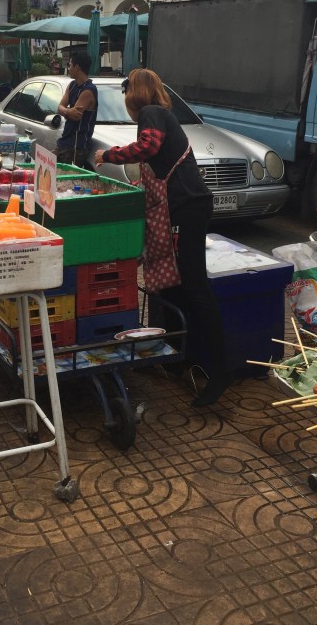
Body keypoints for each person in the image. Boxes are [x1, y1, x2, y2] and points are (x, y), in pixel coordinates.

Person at [95, 68, 233, 407]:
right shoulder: (161, 115)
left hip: (188, 208)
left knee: (195, 286)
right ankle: (175, 358)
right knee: (176, 286)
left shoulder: (151, 113)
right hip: (184, 208)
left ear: (134, 94)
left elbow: (148, 147)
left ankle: (221, 370)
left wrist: (107, 155)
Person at [56, 50, 98, 168]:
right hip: (65, 141)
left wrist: (65, 110)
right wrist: (67, 111)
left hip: (77, 146)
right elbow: (60, 107)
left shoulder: (89, 90)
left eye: (70, 65)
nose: (68, 68)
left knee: (65, 177)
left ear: (77, 67)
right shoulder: (72, 85)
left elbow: (75, 115)